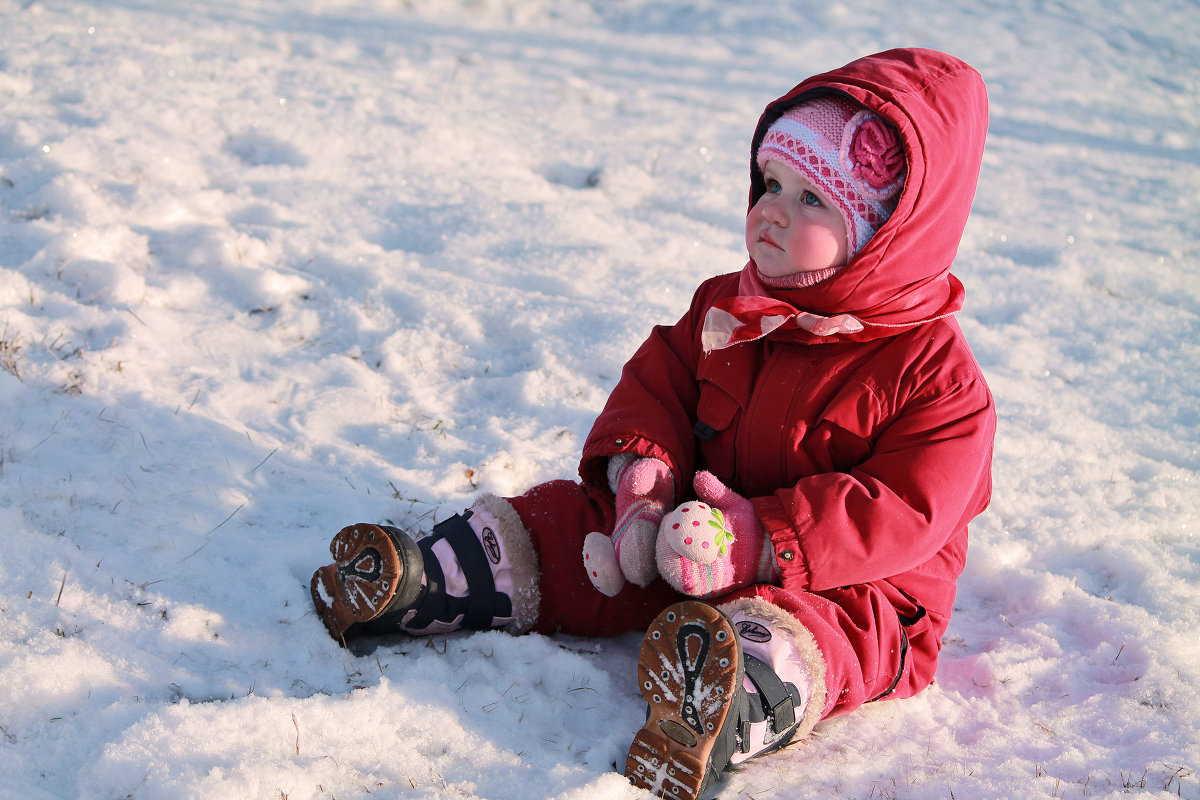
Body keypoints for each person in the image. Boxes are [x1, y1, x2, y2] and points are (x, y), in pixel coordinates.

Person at [310, 47, 995, 800]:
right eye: (770, 183)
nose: (771, 211)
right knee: (580, 526)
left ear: (884, 234)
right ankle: (427, 580)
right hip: (688, 536)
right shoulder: (728, 306)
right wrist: (644, 480)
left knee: (819, 629)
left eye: (812, 201)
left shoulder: (938, 379)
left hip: (845, 582)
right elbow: (660, 383)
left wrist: (763, 541)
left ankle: (722, 703)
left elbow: (906, 509)